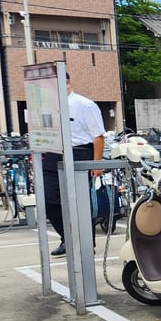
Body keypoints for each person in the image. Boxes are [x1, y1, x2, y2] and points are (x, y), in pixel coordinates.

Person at [42, 72, 104, 256]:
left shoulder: (84, 105)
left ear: (67, 83)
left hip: (79, 153)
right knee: (49, 200)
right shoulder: (50, 105)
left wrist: (96, 163)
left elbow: (98, 136)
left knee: (79, 203)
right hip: (53, 154)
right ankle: (66, 239)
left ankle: (86, 244)